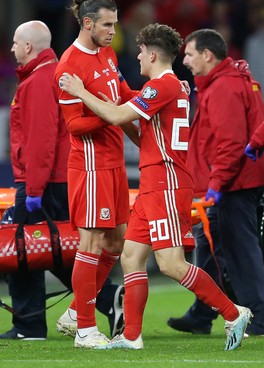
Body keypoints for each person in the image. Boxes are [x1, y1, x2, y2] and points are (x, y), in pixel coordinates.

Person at [58, 22, 252, 351]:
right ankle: (132, 336)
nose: (136, 57)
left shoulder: (161, 87)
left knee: (171, 264)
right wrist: (105, 102)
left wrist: (81, 92)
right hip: (153, 183)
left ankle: (233, 314)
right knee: (131, 258)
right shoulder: (167, 88)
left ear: (151, 54)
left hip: (166, 182)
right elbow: (140, 131)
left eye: (139, 52)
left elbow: (119, 117)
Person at [0, 20, 124, 341]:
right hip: (54, 178)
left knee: (26, 251)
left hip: (43, 180)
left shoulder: (39, 80)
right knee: (57, 249)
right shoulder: (46, 75)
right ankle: (108, 298)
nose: (12, 49)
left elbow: (40, 141)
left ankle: (29, 326)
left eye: (16, 43)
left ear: (28, 47)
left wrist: (33, 191)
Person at [167, 29, 264, 336]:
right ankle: (203, 312)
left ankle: (261, 320)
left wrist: (216, 185)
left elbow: (229, 144)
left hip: (234, 182)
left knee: (240, 253)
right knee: (210, 247)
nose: (185, 61)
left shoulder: (223, 87)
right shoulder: (225, 82)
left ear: (208, 55)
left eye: (189, 54)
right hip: (237, 178)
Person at [54, 0, 137, 349]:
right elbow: (74, 125)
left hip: (114, 160)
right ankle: (85, 330)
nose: (112, 32)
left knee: (117, 242)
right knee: (91, 242)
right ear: (87, 23)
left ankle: (75, 312)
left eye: (115, 25)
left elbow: (120, 91)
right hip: (89, 166)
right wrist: (112, 116)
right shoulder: (69, 66)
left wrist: (156, 95)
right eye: (106, 25)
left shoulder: (106, 54)